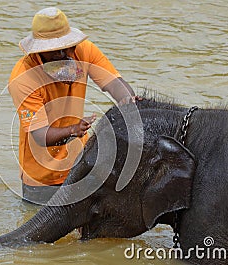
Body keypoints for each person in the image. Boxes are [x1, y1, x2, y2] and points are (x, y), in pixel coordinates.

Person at [8, 7, 136, 204]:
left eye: (68, 47)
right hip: (42, 178)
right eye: (55, 51)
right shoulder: (23, 78)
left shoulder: (84, 50)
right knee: (39, 230)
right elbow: (41, 136)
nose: (64, 54)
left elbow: (114, 83)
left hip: (79, 165)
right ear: (39, 52)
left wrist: (129, 101)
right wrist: (74, 130)